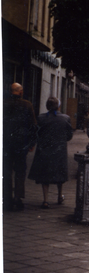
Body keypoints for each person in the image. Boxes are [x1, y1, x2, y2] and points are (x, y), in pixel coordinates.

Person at [27, 97, 73, 209]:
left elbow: (36, 132)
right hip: (59, 149)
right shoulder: (65, 118)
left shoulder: (41, 118)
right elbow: (69, 135)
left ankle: (46, 200)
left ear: (47, 106)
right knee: (60, 172)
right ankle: (59, 196)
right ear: (58, 106)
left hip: (44, 149)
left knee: (45, 174)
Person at [3, 83, 37, 211]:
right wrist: (32, 143)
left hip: (6, 142)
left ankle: (6, 198)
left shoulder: (4, 103)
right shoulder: (27, 104)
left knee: (6, 171)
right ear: (20, 92)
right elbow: (33, 125)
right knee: (20, 170)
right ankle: (18, 197)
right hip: (21, 143)